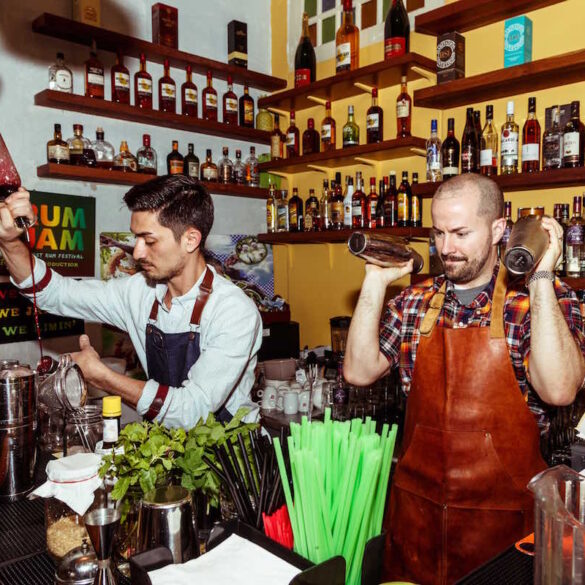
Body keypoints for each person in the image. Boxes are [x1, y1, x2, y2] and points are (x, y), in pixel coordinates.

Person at [344, 174, 585, 585]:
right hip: (416, 529)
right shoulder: (415, 301)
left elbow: (560, 389)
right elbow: (358, 370)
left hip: (502, 541)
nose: (446, 248)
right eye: (438, 233)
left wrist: (542, 277)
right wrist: (374, 283)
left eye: (460, 233)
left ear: (498, 229)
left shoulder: (539, 301)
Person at [0, 175, 262, 429]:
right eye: (136, 238)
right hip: (168, 447)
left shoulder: (233, 311)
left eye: (149, 240)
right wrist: (10, 242)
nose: (137, 252)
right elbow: (54, 293)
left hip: (231, 452)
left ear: (190, 240)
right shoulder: (139, 292)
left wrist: (104, 377)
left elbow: (192, 411)